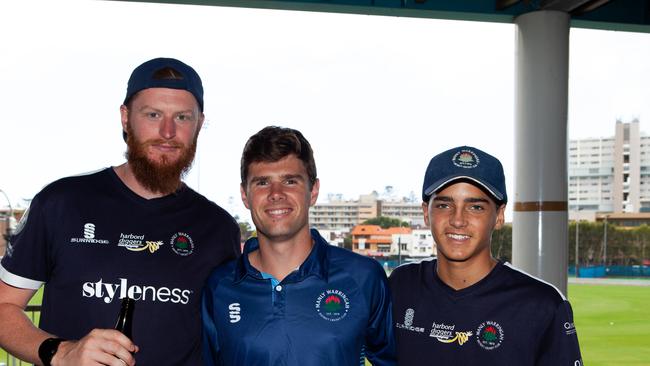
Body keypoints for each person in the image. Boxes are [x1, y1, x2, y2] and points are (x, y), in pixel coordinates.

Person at [0, 57, 240, 366]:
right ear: (125, 118)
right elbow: (4, 306)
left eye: (182, 117)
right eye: (153, 114)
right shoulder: (61, 202)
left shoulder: (218, 228)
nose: (167, 131)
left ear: (199, 124)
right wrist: (61, 352)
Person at [201, 126, 396, 366]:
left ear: (313, 191)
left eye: (290, 181)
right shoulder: (220, 287)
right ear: (245, 195)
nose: (276, 194)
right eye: (262, 182)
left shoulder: (364, 278)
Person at [389, 146, 583, 365]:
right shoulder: (400, 285)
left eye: (476, 207)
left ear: (499, 216)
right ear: (426, 213)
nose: (458, 220)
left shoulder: (542, 304)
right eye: (444, 205)